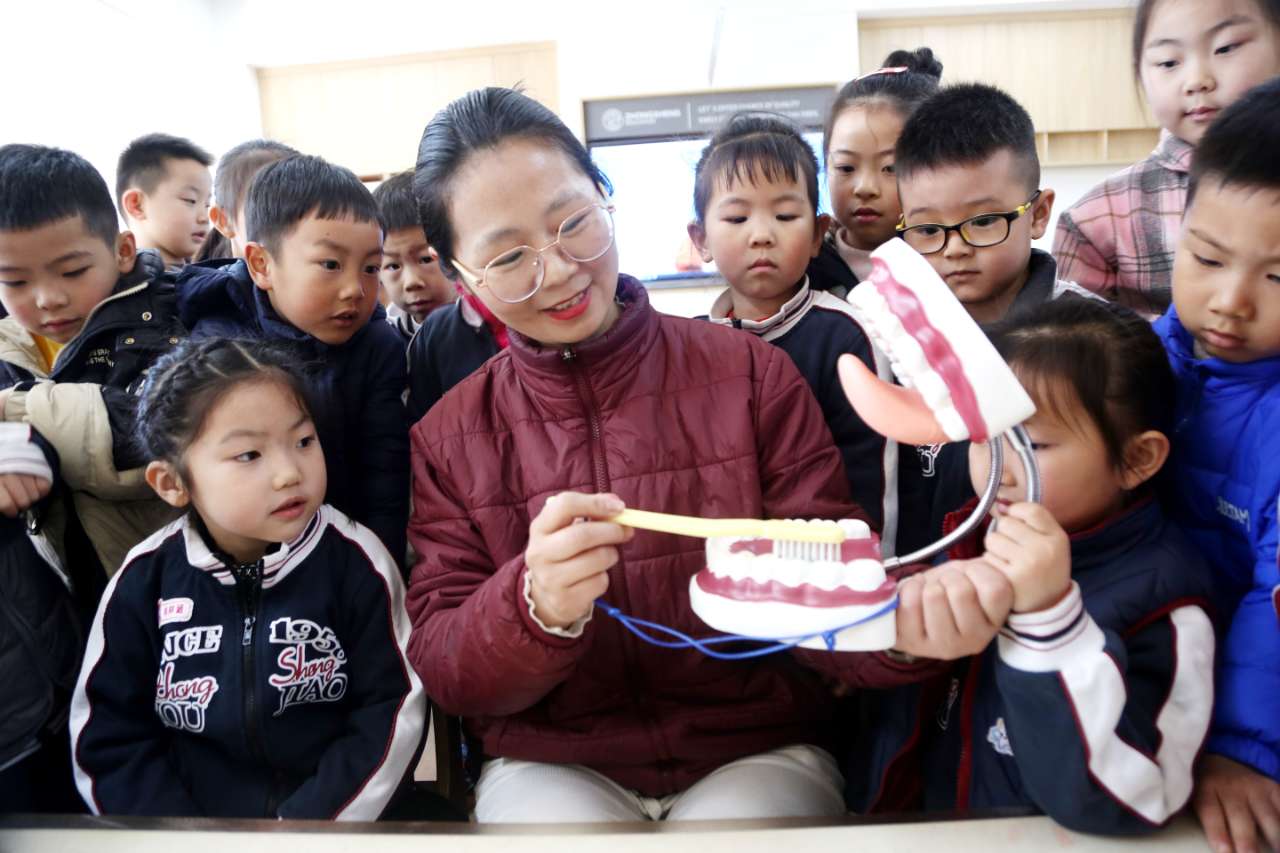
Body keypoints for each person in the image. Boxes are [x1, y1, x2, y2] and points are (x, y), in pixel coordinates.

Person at [404, 86, 1014, 824]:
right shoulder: (448, 437)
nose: (560, 270)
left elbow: (827, 579)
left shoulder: (752, 376)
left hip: (755, 745)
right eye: (508, 257)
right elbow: (447, 668)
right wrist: (532, 605)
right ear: (460, 276)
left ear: (605, 196)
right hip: (552, 756)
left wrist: (903, 628)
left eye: (574, 223)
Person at [848, 295, 1217, 834]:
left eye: (1034, 446)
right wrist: (906, 642)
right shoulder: (971, 536)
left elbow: (1137, 801)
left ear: (1136, 459)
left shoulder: (1167, 600)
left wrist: (1050, 618)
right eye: (984, 441)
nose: (999, 470)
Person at [69, 337, 426, 819]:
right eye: (249, 455)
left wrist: (304, 832)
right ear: (172, 483)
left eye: (303, 441)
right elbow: (109, 738)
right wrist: (180, 838)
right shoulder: (144, 579)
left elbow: (391, 708)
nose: (289, 473)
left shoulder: (359, 562)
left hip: (332, 829)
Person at [1152, 78, 1280, 853]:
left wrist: (1243, 744)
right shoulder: (1136, 361)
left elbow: (1276, 593)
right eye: (1207, 257)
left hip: (1245, 715)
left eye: (1279, 276)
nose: (1231, 300)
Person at [177, 155, 409, 566]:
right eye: (330, 265)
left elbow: (385, 476)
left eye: (371, 268)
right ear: (262, 265)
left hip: (351, 550)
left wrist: (379, 570)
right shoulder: (219, 349)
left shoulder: (378, 346)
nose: (355, 289)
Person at [688, 112, 899, 551]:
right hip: (723, 568)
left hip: (832, 568)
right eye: (737, 218)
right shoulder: (685, 346)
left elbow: (873, 484)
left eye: (785, 215)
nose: (762, 235)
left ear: (819, 233)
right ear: (701, 239)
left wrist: (871, 567)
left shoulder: (849, 337)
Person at [0, 143, 184, 577]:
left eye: (72, 272)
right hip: (72, 594)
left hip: (173, 587)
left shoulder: (167, 320)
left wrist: (17, 411)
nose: (48, 298)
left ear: (123, 250)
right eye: (15, 281)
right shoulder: (9, 347)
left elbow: (160, 434)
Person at [1053, 0, 1280, 317]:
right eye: (1168, 62)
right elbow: (1071, 334)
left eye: (1226, 48)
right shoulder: (1094, 219)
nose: (1197, 80)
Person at [894, 83, 1087, 328]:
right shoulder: (890, 331)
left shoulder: (1097, 333)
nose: (954, 249)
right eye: (928, 230)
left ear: (1038, 215)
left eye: (982, 221)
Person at [808, 47, 942, 297]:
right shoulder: (802, 271)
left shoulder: (950, 264)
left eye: (890, 168)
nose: (865, 188)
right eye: (846, 168)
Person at [372, 171, 456, 343]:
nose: (411, 282)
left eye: (426, 259)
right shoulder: (386, 339)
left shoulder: (486, 324)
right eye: (393, 266)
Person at [115, 133, 213, 271]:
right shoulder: (109, 281)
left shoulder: (212, 276)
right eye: (191, 200)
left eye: (207, 205)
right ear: (137, 205)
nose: (204, 218)